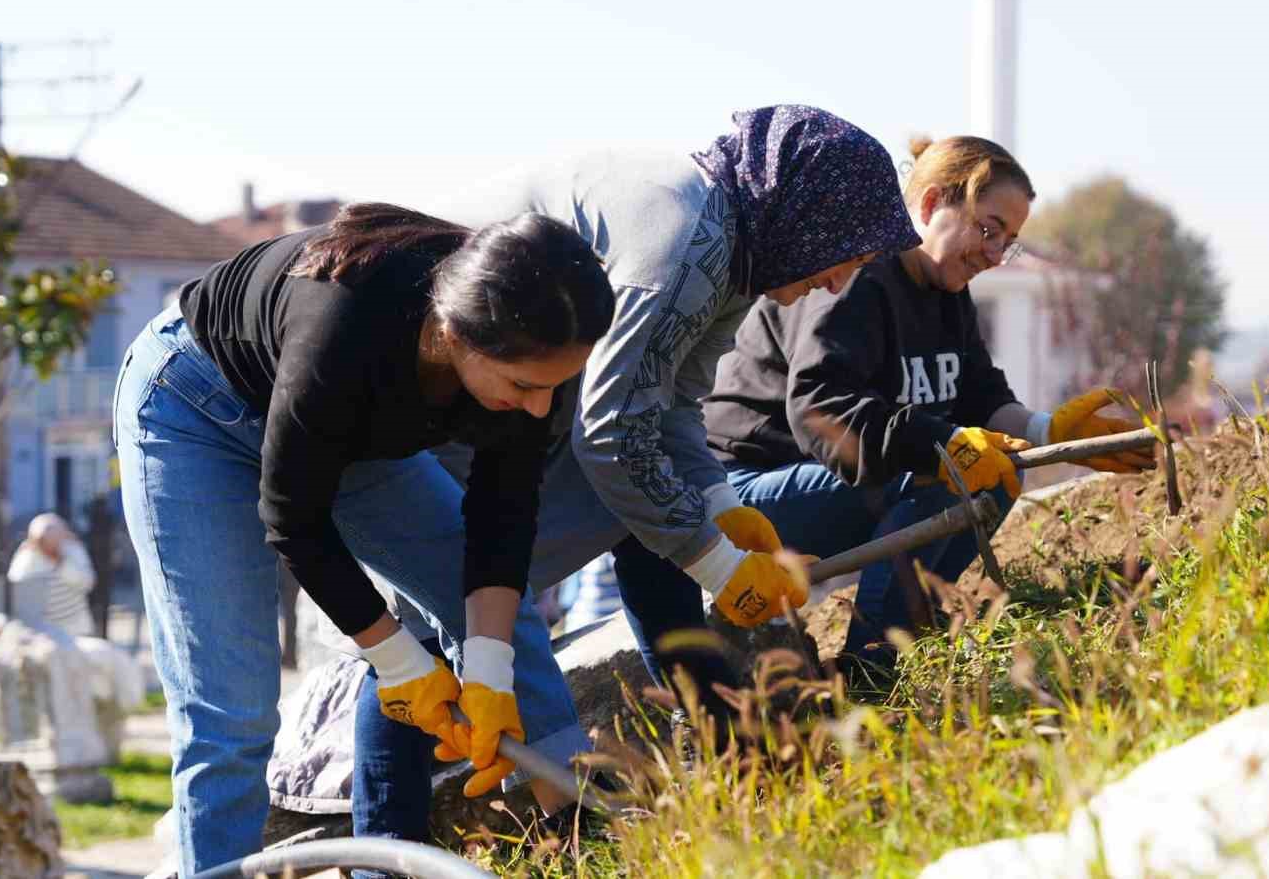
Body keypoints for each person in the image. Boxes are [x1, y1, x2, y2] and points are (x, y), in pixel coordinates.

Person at [347, 104, 917, 848]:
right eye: (846, 252)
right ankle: (397, 857)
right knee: (440, 612)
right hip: (432, 382)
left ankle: (727, 756)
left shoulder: (736, 252)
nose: (840, 282)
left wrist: (716, 506)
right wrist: (714, 561)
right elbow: (613, 434)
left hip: (506, 395)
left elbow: (671, 402)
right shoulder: (685, 242)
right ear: (807, 215)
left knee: (643, 516)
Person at [112, 205, 615, 873]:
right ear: (457, 335)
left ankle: (582, 844)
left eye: (553, 388)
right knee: (230, 718)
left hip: (346, 430)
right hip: (192, 409)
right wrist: (402, 664)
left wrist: (488, 670)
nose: (540, 408)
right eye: (525, 386)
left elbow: (504, 513)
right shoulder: (345, 321)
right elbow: (295, 520)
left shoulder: (532, 356)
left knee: (504, 623)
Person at [693, 135, 1153, 678]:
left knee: (997, 470)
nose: (994, 254)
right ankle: (875, 666)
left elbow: (981, 399)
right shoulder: (855, 275)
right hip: (744, 497)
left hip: (826, 487)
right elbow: (821, 406)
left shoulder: (946, 291)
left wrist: (1048, 430)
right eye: (988, 229)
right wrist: (940, 447)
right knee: (942, 472)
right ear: (933, 203)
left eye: (1008, 242)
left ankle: (914, 634)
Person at [5, 513, 97, 638]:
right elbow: (16, 592)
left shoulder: (73, 550)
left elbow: (87, 582)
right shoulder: (26, 558)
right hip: (43, 633)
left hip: (77, 629)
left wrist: (60, 563)